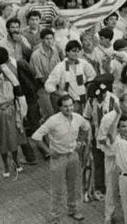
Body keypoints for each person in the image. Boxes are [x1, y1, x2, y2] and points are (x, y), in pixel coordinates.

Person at [32, 94, 91, 222]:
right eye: (65, 106)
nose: (69, 108)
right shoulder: (53, 120)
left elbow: (86, 127)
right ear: (60, 108)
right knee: (57, 189)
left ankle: (73, 210)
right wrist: (48, 151)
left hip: (73, 156)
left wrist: (80, 141)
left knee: (74, 186)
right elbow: (36, 136)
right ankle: (55, 217)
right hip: (58, 158)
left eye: (71, 105)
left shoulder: (77, 118)